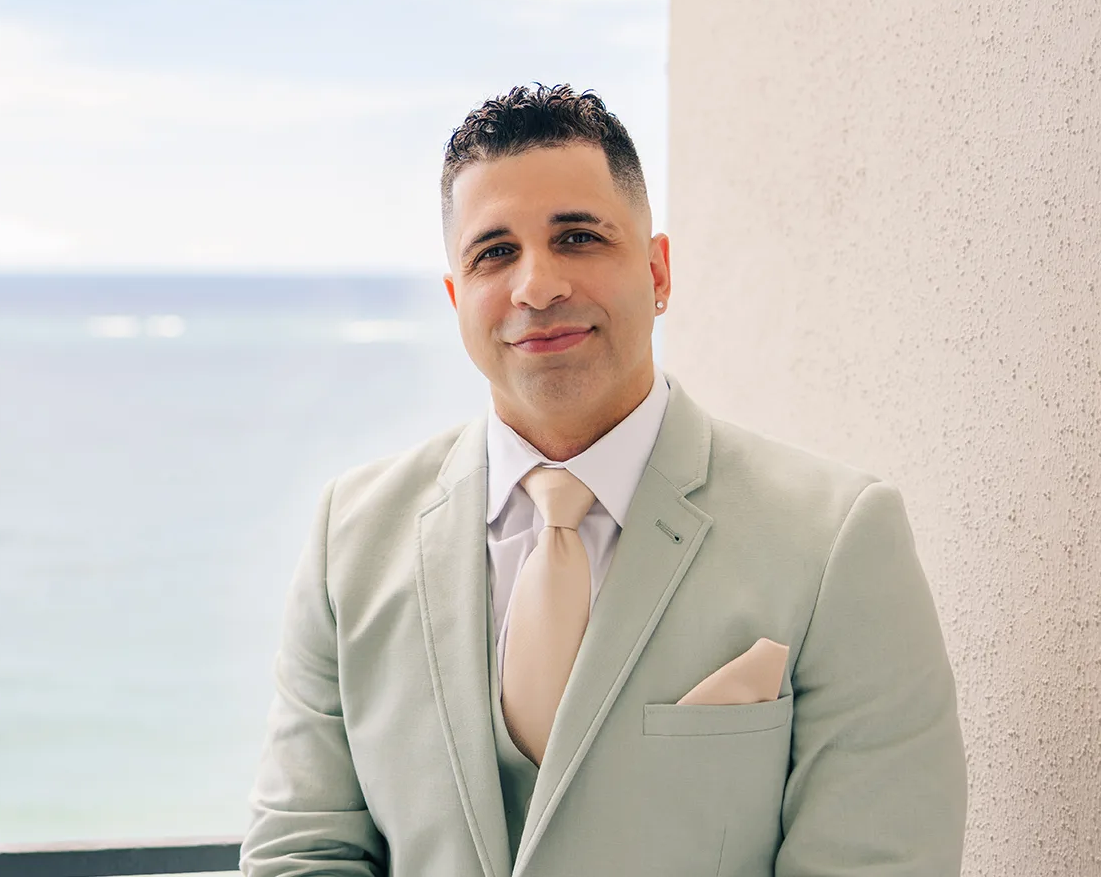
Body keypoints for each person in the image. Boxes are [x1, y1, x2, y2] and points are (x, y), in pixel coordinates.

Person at [240, 84, 967, 876]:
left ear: (657, 271)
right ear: (457, 300)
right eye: (494, 253)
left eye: (579, 237)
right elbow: (302, 852)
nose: (537, 286)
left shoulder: (838, 540)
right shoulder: (349, 537)